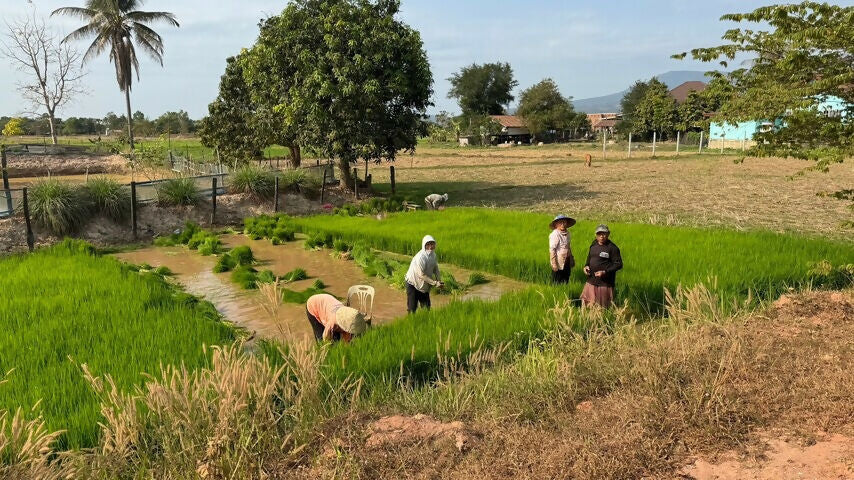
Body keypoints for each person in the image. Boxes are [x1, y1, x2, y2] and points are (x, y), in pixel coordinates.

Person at [581, 224, 623, 308]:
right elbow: (589, 256)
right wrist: (586, 266)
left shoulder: (612, 248)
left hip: (604, 282)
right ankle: (587, 319)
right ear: (596, 235)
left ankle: (601, 319)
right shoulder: (594, 244)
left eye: (604, 234)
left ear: (608, 234)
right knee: (587, 303)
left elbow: (618, 264)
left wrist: (604, 272)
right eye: (599, 234)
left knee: (602, 306)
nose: (602, 236)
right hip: (591, 280)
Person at [404, 235, 444, 313]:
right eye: (428, 245)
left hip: (424, 285)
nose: (430, 247)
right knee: (412, 310)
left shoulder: (433, 255)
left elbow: (436, 269)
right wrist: (434, 283)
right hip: (413, 284)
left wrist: (439, 280)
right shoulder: (421, 257)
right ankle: (411, 323)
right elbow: (421, 275)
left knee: (426, 309)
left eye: (432, 244)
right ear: (424, 246)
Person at [549, 214, 576, 284]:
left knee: (566, 279)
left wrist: (572, 259)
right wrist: (554, 264)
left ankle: (564, 293)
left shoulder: (568, 233)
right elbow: (552, 250)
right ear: (556, 224)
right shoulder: (555, 234)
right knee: (557, 281)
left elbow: (568, 247)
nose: (562, 224)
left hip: (566, 260)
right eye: (560, 222)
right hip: (559, 261)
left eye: (564, 222)